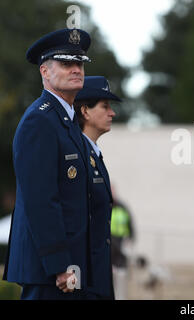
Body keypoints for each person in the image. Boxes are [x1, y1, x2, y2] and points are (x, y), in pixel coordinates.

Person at [2, 29, 96, 299]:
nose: (76, 69)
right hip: (50, 270)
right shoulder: (39, 121)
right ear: (45, 71)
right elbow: (40, 200)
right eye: (66, 63)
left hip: (68, 265)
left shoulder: (66, 121)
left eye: (79, 64)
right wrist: (59, 265)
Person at [73, 76, 121, 299]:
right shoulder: (76, 154)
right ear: (85, 111)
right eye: (105, 106)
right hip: (83, 274)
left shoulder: (92, 153)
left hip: (97, 271)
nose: (112, 113)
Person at [109, 187, 135, 300]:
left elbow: (131, 226)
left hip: (121, 252)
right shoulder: (105, 206)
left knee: (121, 283)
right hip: (109, 252)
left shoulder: (123, 208)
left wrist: (130, 240)